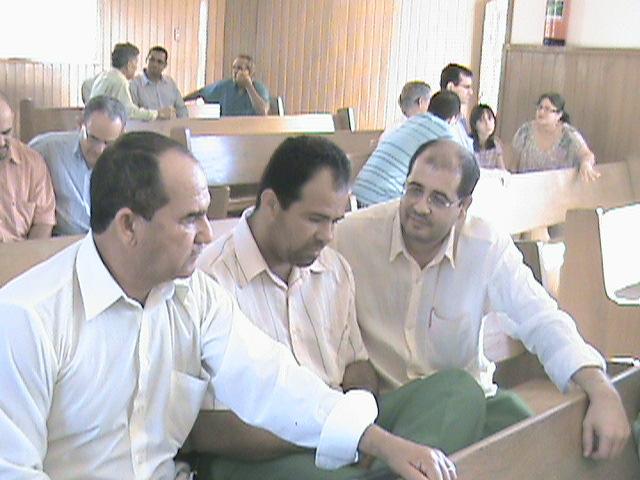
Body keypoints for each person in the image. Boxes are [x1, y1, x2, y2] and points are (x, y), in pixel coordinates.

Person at [0, 131, 463, 480]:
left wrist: (382, 443)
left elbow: (271, 379)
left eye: (206, 214)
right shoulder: (29, 319)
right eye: (189, 219)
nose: (207, 234)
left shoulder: (192, 296)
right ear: (127, 226)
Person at [194, 135, 484, 479]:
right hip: (256, 456)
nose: (328, 235)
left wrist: (360, 427)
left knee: (457, 390)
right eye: (316, 219)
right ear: (271, 204)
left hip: (343, 427)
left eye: (335, 220)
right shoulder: (210, 281)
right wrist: (335, 435)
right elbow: (204, 430)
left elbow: (356, 365)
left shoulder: (332, 269)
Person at [335, 138, 630, 461]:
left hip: (468, 405)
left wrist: (601, 389)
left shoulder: (485, 245)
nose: (420, 206)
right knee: (457, 394)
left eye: (438, 199)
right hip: (388, 407)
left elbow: (539, 317)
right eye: (414, 189)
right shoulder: (352, 236)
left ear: (463, 208)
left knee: (536, 438)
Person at [29, 96, 127, 235]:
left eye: (108, 143)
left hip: (107, 245)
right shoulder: (47, 149)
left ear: (122, 134)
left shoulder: (128, 163)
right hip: (62, 244)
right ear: (80, 123)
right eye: (93, 138)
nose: (99, 150)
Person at [352, 90, 460, 208]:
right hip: (384, 200)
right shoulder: (446, 133)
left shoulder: (410, 121)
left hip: (357, 194)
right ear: (454, 118)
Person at [0, 92, 55, 242]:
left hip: (22, 255)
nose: (1, 143)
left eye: (6, 133)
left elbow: (43, 222)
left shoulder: (32, 163)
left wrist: (30, 256)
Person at [512, 92, 599, 181]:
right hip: (526, 186)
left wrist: (586, 164)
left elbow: (587, 155)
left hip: (558, 189)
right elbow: (513, 164)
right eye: (540, 107)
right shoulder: (525, 131)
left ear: (559, 115)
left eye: (547, 109)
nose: (541, 112)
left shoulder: (568, 135)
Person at [90, 42, 174, 121]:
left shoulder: (104, 76)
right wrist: (157, 114)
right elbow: (129, 112)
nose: (136, 67)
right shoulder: (120, 81)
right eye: (136, 62)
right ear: (129, 64)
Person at [183, 55, 269, 116]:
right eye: (233, 68)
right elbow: (201, 92)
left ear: (249, 72)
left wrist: (248, 86)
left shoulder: (259, 89)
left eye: (239, 68)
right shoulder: (225, 86)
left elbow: (262, 111)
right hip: (227, 130)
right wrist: (180, 102)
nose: (235, 71)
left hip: (251, 132)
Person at [130, 46, 188, 118]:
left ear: (165, 65)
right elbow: (133, 113)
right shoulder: (135, 84)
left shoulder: (170, 83)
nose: (155, 64)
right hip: (146, 128)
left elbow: (181, 109)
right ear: (146, 60)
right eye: (152, 60)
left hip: (170, 127)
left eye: (159, 62)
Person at [440, 63, 474, 152]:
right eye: (466, 87)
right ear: (450, 87)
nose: (471, 92)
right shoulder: (441, 117)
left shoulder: (461, 118)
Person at [469, 104, 505, 170]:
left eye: (489, 118)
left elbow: (502, 170)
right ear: (474, 124)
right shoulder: (468, 143)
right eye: (482, 120)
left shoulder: (496, 144)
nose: (487, 123)